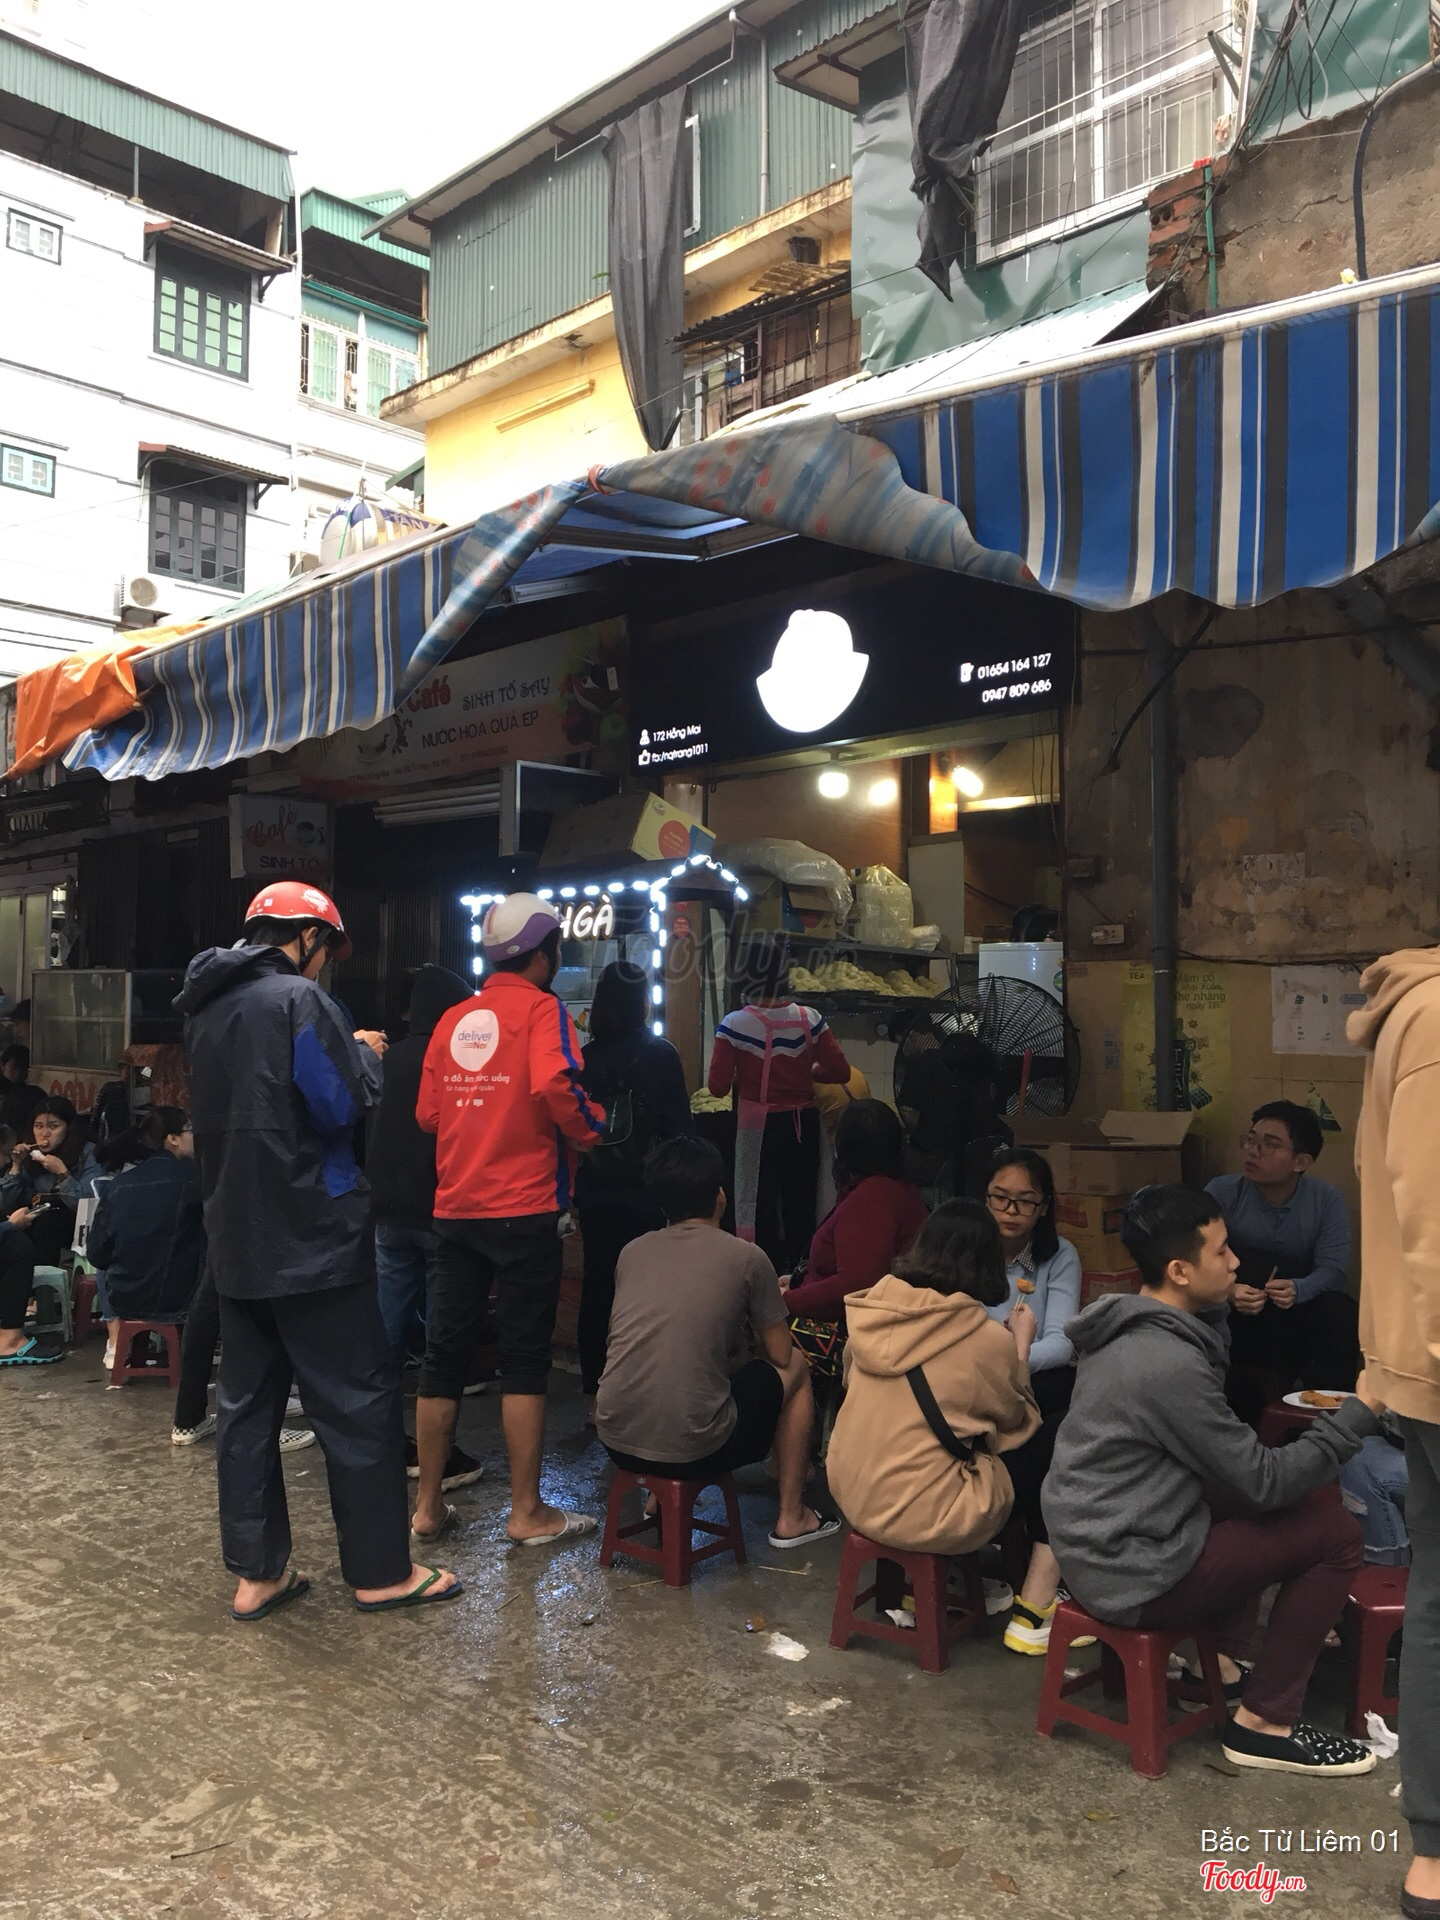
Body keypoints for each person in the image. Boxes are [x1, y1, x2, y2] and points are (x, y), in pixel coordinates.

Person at [177, 881, 457, 1620]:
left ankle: (257, 1575)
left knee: (246, 1409)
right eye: (326, 948)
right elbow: (337, 1105)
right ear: (306, 937)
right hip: (312, 1240)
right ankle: (382, 1572)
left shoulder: (205, 1009)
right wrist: (362, 1054)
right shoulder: (300, 1001)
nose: (326, 962)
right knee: (357, 1404)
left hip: (235, 1240)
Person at [1044, 1183, 1381, 1777]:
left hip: (1107, 1536)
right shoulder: (1164, 1363)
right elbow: (1264, 1481)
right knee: (1336, 1534)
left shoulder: (1138, 1325)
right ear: (1179, 1271)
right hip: (1129, 1570)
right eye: (1221, 1252)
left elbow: (1237, 1458)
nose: (1236, 1262)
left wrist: (1218, 1303)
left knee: (1294, 1493)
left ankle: (1218, 1662)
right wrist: (1361, 1411)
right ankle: (1264, 1723)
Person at [412, 893, 606, 1549]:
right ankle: (527, 1512)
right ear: (546, 954)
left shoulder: (453, 1019)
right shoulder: (545, 1012)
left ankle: (427, 1507)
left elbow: (428, 1115)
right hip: (526, 1210)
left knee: (443, 1357)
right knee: (524, 1361)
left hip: (456, 1209)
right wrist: (592, 1128)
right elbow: (557, 1086)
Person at [595, 1134, 839, 1550]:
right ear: (720, 1195)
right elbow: (780, 1354)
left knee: (680, 1360)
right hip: (697, 1449)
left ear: (662, 1204)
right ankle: (792, 1516)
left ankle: (657, 1498)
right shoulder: (746, 1257)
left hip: (615, 1440)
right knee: (796, 1368)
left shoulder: (631, 1252)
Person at [1347, 947, 1440, 1915]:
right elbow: (1431, 1215)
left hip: (1417, 1367)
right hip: (1434, 1368)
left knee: (1436, 1599)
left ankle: (1433, 1857)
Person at [825, 1199, 1040, 1554]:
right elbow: (1013, 1421)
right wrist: (1021, 1346)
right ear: (989, 1261)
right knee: (1044, 1444)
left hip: (851, 1494)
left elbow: (851, 1384)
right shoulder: (985, 1340)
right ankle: (1021, 1569)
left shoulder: (874, 1313)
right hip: (928, 1514)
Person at [367, 964, 483, 1491]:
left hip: (387, 1213)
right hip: (440, 1213)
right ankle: (441, 1456)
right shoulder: (454, 1059)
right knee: (442, 1343)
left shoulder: (386, 1060)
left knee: (386, 1337)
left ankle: (380, 1441)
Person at [977, 1146, 1083, 1653]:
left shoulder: (1057, 1256)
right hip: (972, 1383)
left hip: (1028, 1379)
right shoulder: (968, 1248)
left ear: (1044, 1207)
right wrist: (1007, 1353)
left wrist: (1013, 1358)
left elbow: (1062, 1343)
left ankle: (1014, 1536)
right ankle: (1037, 1580)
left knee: (1065, 1411)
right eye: (1000, 1197)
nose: (1011, 1211)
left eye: (1025, 1201)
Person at [577, 959, 694, 1414]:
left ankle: (595, 1396)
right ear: (643, 1000)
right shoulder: (660, 1055)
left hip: (595, 1190)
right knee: (646, 1292)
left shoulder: (585, 1060)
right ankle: (644, 1390)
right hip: (647, 1192)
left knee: (597, 1288)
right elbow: (681, 1130)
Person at [706, 935, 850, 1272]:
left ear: (745, 974)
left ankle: (761, 1275)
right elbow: (840, 1071)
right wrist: (810, 1071)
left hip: (758, 1128)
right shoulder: (810, 1018)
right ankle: (803, 1276)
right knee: (803, 1206)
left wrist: (742, 1075)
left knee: (756, 1206)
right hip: (804, 1125)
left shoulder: (735, 1024)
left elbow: (717, 1087)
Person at [1208, 1100, 1359, 1405]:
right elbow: (1195, 1258)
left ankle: (1329, 1412)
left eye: (1269, 1145)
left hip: (1295, 1305)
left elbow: (1333, 1271)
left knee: (1341, 1311)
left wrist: (1298, 1289)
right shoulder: (1222, 1193)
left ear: (1300, 1162)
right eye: (1251, 1140)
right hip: (1238, 1307)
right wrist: (1229, 1291)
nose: (1253, 1151)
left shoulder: (1325, 1199)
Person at [782, 1099, 927, 1378]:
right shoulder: (895, 1186)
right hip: (874, 1326)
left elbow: (858, 1283)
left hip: (861, 1337)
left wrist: (788, 1301)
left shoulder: (871, 1199)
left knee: (757, 1321)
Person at [88, 1105, 202, 1330]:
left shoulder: (120, 1184)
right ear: (173, 1139)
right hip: (182, 1301)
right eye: (190, 1130)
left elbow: (97, 1254)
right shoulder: (197, 1180)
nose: (195, 1137)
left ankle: (115, 1340)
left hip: (124, 1299)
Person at [0, 1094, 101, 1266]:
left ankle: (43, 1277)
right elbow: (7, 1202)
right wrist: (16, 1165)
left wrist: (62, 1173)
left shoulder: (88, 1153)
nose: (44, 1134)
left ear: (68, 1128)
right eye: (38, 1126)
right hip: (39, 1217)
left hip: (77, 1222)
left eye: (54, 1126)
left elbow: (88, 1205)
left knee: (46, 1223)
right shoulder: (30, 1155)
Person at [0, 1044, 42, 1137]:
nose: (18, 1072)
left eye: (24, 1068)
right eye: (13, 1067)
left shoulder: (35, 1094)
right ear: (2, 1065)